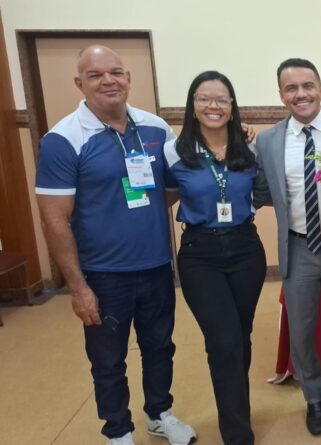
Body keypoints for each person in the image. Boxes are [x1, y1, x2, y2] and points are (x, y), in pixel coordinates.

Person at [35, 45, 196, 445]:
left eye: (116, 72)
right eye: (95, 75)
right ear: (79, 83)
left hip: (157, 266)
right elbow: (54, 219)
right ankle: (118, 431)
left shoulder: (156, 128)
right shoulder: (63, 139)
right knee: (108, 360)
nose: (108, 80)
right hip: (103, 276)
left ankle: (160, 414)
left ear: (128, 78)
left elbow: (171, 188)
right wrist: (77, 287)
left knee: (160, 347)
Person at [253, 58, 321, 437]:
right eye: (291, 88)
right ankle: (314, 399)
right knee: (301, 331)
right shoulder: (267, 142)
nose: (301, 94)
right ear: (281, 95)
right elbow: (259, 189)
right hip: (298, 248)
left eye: (308, 85)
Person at [163, 70, 267, 445]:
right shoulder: (173, 150)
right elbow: (165, 197)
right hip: (199, 254)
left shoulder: (249, 147)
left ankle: (235, 408)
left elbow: (263, 192)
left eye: (222, 100)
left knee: (241, 336)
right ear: (192, 106)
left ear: (232, 106)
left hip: (246, 250)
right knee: (223, 341)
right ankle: (237, 434)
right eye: (204, 99)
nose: (213, 106)